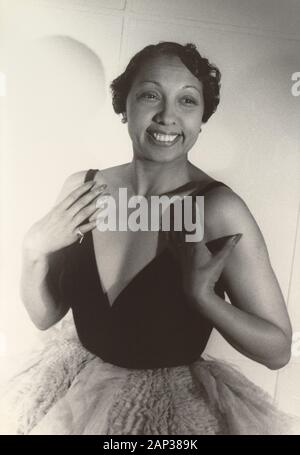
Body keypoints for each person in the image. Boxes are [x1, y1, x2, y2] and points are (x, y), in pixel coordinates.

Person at [0, 41, 297, 435]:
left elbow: (277, 351)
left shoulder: (217, 208)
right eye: (150, 95)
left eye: (187, 101)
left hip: (169, 418)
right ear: (124, 106)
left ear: (203, 118)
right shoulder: (85, 188)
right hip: (73, 397)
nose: (167, 116)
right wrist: (32, 252)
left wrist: (203, 299)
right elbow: (45, 315)